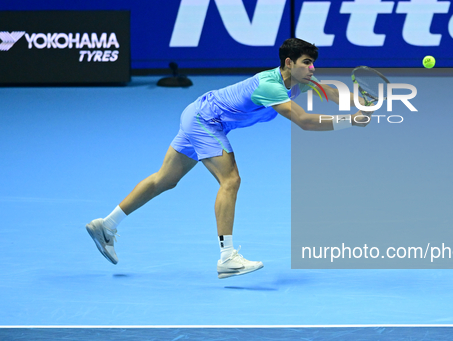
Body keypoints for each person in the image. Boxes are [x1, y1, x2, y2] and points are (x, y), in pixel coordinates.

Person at [86, 38, 370, 278]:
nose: (312, 68)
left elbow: (328, 91)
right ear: (288, 64)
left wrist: (359, 102)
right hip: (205, 121)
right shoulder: (271, 86)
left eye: (312, 63)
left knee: (165, 180)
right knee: (230, 180)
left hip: (197, 113)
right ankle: (227, 258)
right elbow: (305, 122)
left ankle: (106, 225)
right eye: (307, 62)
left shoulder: (301, 79)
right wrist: (350, 121)